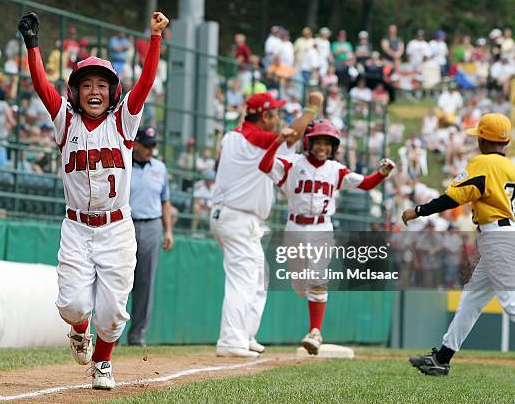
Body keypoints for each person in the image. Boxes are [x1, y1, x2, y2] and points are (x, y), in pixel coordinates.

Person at [18, 10, 169, 390]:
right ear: (75, 92)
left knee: (113, 312)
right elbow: (40, 87)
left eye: (102, 84)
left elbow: (147, 82)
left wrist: (155, 38)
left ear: (113, 91)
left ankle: (102, 363)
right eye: (87, 85)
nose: (95, 91)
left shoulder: (124, 121)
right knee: (72, 306)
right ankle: (79, 330)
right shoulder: (64, 121)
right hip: (77, 226)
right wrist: (32, 46)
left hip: (117, 227)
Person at [258, 120, 394, 354]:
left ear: (334, 147)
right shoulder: (292, 163)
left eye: (327, 143)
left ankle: (315, 332)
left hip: (322, 227)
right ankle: (309, 307)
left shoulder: (336, 169)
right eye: (318, 142)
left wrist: (381, 174)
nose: (323, 147)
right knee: (300, 285)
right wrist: (277, 141)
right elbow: (264, 165)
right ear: (308, 142)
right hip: (295, 227)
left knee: (318, 281)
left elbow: (365, 184)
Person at [210, 90, 324, 358]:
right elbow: (292, 135)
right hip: (237, 217)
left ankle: (246, 334)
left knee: (259, 275)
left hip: (235, 216)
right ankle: (231, 340)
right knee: (244, 278)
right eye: (274, 113)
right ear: (264, 115)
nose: (278, 118)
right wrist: (311, 109)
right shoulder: (253, 137)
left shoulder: (236, 136)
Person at [403, 113, 515, 376]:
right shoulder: (511, 166)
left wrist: (418, 210)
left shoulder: (483, 163)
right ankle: (442, 358)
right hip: (505, 234)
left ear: (483, 141)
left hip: (498, 236)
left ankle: (441, 358)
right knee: (472, 299)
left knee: (510, 301)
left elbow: (453, 198)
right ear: (506, 140)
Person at [128, 126, 173, 346]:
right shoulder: (124, 163)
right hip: (126, 225)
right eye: (147, 145)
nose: (150, 149)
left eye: (153, 145)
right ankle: (110, 335)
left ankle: (137, 337)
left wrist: (168, 230)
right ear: (136, 143)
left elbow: (165, 201)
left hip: (152, 225)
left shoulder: (160, 168)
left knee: (145, 283)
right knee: (118, 280)